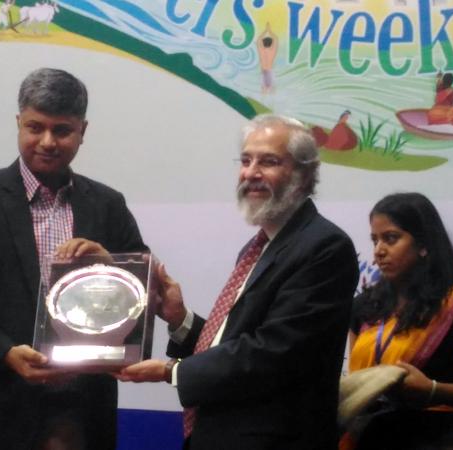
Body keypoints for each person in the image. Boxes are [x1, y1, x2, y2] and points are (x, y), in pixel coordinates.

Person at [0, 68, 147, 450]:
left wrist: (111, 266)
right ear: (18, 123)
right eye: (35, 127)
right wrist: (4, 354)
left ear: (83, 130)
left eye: (62, 130)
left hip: (83, 410)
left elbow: (142, 295)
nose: (47, 141)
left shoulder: (108, 204)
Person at [118, 114, 360, 449]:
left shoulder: (324, 246)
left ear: (304, 175)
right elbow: (230, 343)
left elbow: (275, 352)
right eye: (246, 160)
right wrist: (180, 319)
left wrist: (171, 371)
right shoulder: (259, 246)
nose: (251, 173)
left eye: (269, 161)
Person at [341, 192, 453, 449]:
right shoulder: (364, 307)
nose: (379, 251)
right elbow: (358, 382)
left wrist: (432, 390)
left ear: (423, 245)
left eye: (391, 238)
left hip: (441, 437)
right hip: (372, 435)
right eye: (375, 240)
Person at [257, 22, 279, 94]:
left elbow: (259, 39)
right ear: (271, 43)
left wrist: (265, 31)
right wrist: (269, 30)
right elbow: (276, 38)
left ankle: (263, 102)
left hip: (263, 72)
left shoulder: (261, 51)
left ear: (262, 43)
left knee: (263, 91)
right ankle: (273, 104)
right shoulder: (272, 51)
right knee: (273, 90)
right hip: (270, 71)